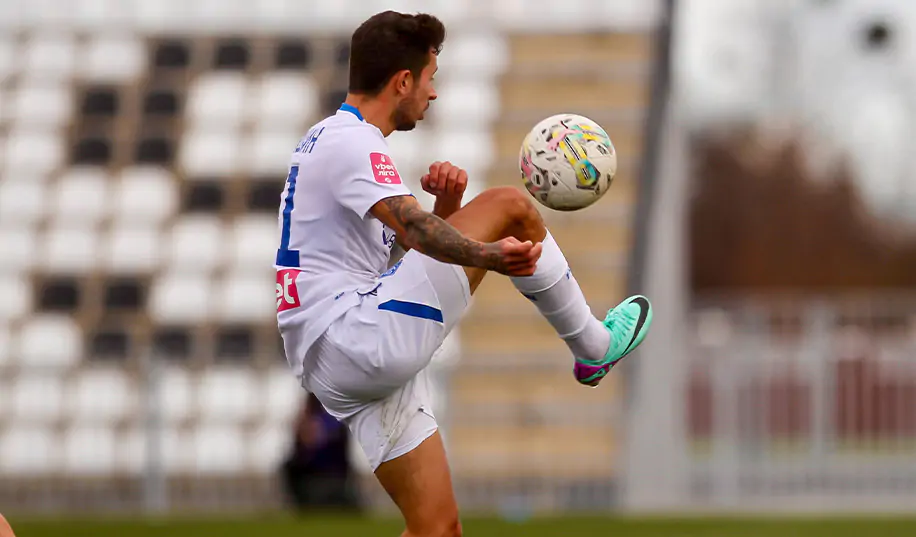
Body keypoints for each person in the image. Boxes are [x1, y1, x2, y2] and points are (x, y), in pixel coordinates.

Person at [275, 11, 653, 537]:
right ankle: (593, 348)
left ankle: (591, 348)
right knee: (510, 206)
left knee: (438, 528)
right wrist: (490, 255)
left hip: (338, 352)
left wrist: (447, 206)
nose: (433, 93)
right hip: (357, 337)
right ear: (402, 81)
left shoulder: (330, 140)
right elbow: (414, 230)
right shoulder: (351, 142)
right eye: (429, 78)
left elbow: (395, 257)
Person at [279, 393, 362, 512]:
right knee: (289, 465)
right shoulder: (313, 420)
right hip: (314, 472)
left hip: (331, 471)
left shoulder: (331, 421)